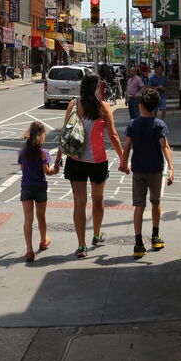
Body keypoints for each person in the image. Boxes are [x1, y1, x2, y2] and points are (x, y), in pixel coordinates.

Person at [55, 72, 124, 258]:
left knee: (79, 202)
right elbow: (114, 136)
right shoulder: (104, 107)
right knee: (98, 199)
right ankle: (96, 235)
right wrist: (123, 159)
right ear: (97, 88)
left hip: (76, 160)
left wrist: (58, 158)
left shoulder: (73, 105)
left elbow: (65, 133)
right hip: (98, 161)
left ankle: (81, 245)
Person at [119, 86, 174, 259]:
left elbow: (126, 147)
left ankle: (138, 243)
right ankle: (155, 236)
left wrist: (123, 164)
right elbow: (165, 146)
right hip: (156, 169)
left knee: (139, 206)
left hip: (138, 170)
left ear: (141, 104)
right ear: (156, 105)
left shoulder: (133, 124)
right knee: (156, 201)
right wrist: (171, 168)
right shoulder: (159, 124)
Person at [18, 120, 58, 261]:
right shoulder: (43, 153)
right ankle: (43, 241)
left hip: (26, 187)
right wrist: (56, 169)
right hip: (40, 187)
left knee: (28, 218)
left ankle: (29, 250)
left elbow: (23, 171)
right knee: (41, 217)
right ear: (42, 135)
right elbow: (48, 172)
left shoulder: (22, 153)